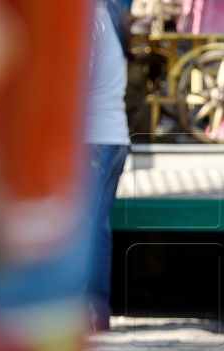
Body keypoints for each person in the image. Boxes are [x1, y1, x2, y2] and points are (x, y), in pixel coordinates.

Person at [86, 0, 131, 331]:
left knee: (84, 228)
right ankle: (96, 311)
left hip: (92, 137)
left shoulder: (88, 20)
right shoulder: (108, 17)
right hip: (113, 135)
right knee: (96, 226)